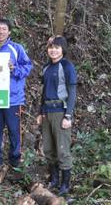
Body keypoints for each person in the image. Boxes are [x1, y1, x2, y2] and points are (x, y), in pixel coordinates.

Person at [0, 19, 33, 173]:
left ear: (9, 32)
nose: (1, 32)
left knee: (14, 130)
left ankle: (14, 159)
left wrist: (14, 69)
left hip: (13, 98)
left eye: (4, 29)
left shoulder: (16, 49)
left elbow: (27, 67)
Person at [36, 36, 77, 195]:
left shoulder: (67, 66)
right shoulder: (46, 67)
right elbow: (43, 92)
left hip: (61, 111)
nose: (53, 50)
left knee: (62, 149)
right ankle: (54, 180)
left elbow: (72, 92)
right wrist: (40, 112)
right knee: (49, 148)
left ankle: (65, 185)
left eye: (57, 47)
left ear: (63, 49)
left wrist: (68, 116)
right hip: (47, 112)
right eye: (51, 47)